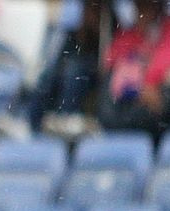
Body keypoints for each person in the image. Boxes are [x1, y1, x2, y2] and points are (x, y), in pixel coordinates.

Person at [99, 0, 170, 136]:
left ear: (159, 6)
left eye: (147, 6)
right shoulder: (131, 33)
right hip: (139, 100)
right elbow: (112, 58)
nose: (142, 10)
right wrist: (138, 86)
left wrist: (148, 82)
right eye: (139, 5)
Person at [29, 0, 117, 138]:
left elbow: (105, 62)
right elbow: (61, 59)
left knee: (75, 70)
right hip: (68, 75)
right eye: (87, 9)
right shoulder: (75, 34)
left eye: (93, 9)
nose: (88, 13)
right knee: (47, 74)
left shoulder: (110, 31)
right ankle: (32, 123)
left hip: (93, 77)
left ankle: (66, 116)